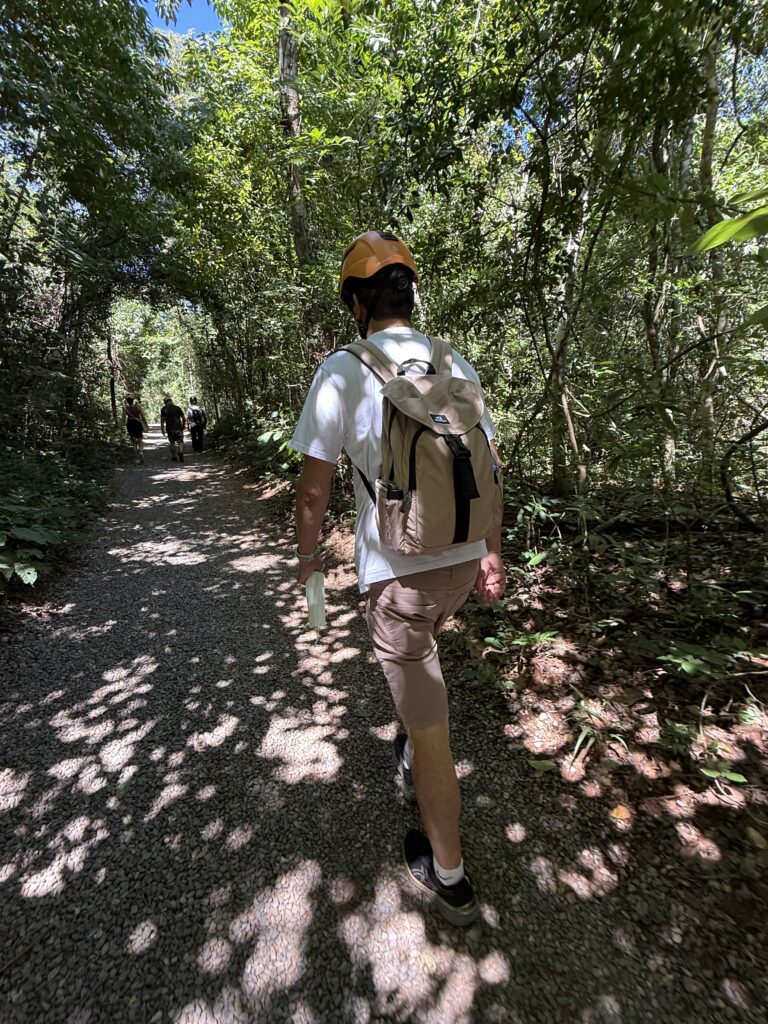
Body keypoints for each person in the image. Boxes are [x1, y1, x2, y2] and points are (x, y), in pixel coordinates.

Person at [289, 231, 506, 926]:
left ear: (357, 303)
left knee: (433, 728)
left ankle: (452, 879)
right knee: (427, 659)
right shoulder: (452, 359)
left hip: (398, 579)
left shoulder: (341, 370)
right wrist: (493, 552)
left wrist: (309, 560)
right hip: (461, 563)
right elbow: (488, 465)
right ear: (410, 293)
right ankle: (413, 738)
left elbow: (313, 490)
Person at [122, 395, 149, 465]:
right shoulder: (138, 406)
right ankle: (141, 452)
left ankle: (136, 458)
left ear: (127, 401)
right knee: (140, 440)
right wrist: (146, 424)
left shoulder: (125, 407)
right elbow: (142, 416)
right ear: (133, 400)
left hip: (130, 424)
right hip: (137, 423)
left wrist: (121, 425)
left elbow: (124, 418)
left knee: (134, 441)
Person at [160, 396, 186, 462]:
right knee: (180, 441)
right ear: (171, 401)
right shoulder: (178, 408)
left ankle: (174, 456)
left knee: (172, 442)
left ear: (165, 402)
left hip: (170, 429)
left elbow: (162, 420)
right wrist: (183, 426)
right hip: (178, 428)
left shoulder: (163, 409)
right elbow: (183, 418)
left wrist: (162, 429)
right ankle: (181, 452)